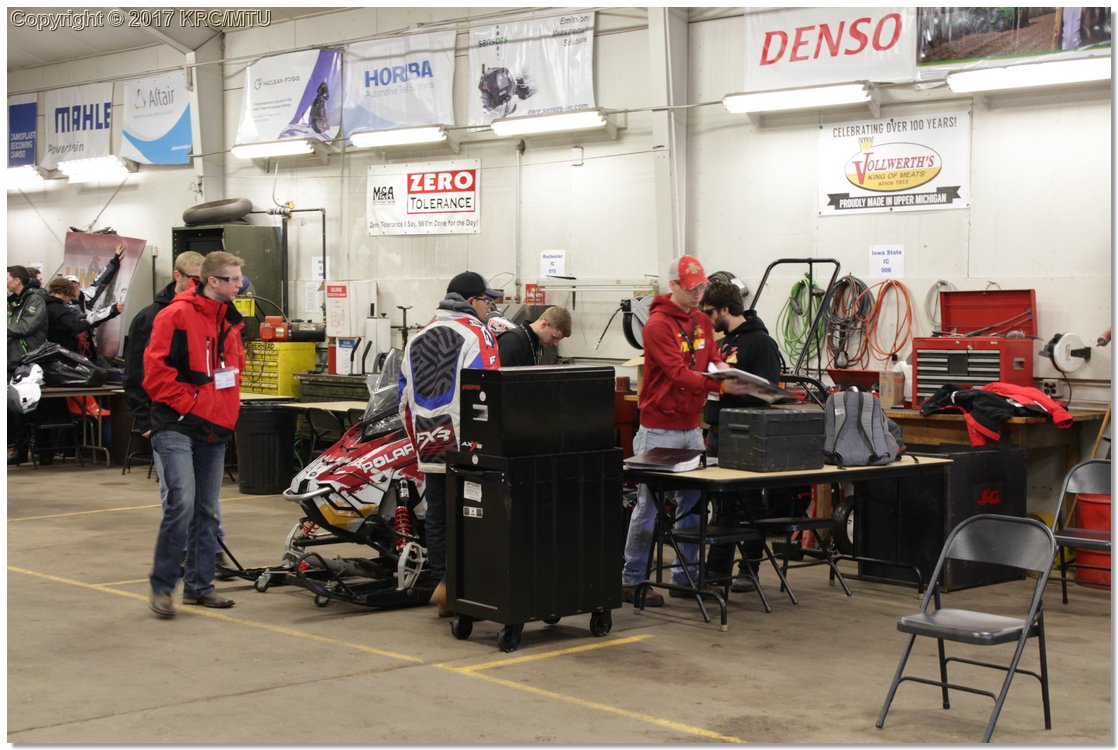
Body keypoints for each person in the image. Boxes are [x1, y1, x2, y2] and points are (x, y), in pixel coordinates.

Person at [620, 255, 752, 606]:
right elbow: (678, 373)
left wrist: (726, 372)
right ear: (674, 286)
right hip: (659, 430)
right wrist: (720, 386)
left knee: (693, 506)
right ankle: (631, 579)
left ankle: (686, 577)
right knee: (649, 507)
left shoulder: (702, 322)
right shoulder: (657, 326)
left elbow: (712, 359)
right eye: (691, 288)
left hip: (691, 428)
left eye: (701, 288)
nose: (697, 294)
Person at [143, 251, 246, 617]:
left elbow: (233, 370)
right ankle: (162, 588)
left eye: (240, 278)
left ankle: (199, 587)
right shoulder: (175, 315)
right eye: (233, 279)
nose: (240, 285)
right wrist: (191, 403)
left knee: (206, 510)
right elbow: (155, 373)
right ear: (212, 281)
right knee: (182, 503)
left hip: (214, 427)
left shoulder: (230, 320)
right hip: (177, 423)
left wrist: (223, 412)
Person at [398, 271, 502, 617]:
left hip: (428, 441)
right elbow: (487, 389)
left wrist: (420, 440)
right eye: (487, 300)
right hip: (468, 445)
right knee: (474, 515)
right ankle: (467, 590)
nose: (490, 307)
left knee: (438, 515)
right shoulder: (478, 334)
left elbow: (402, 397)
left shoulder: (419, 335)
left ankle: (443, 586)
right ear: (471, 301)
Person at [700, 279, 783, 592]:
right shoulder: (722, 343)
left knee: (749, 503)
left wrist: (731, 388)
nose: (707, 319)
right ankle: (716, 570)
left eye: (710, 312)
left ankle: (750, 568)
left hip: (746, 433)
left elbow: (768, 393)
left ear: (725, 309)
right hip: (718, 431)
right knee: (723, 505)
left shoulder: (761, 344)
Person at [7, 265, 48, 464]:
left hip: (30, 362)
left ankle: (43, 451)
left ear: (17, 280)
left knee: (34, 408)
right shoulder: (14, 301)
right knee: (16, 408)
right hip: (13, 361)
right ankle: (20, 450)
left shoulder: (35, 300)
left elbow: (25, 327)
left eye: (6, 277)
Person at [496, 305, 571, 366]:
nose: (556, 343)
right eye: (554, 337)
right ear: (544, 324)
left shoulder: (537, 344)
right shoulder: (512, 341)